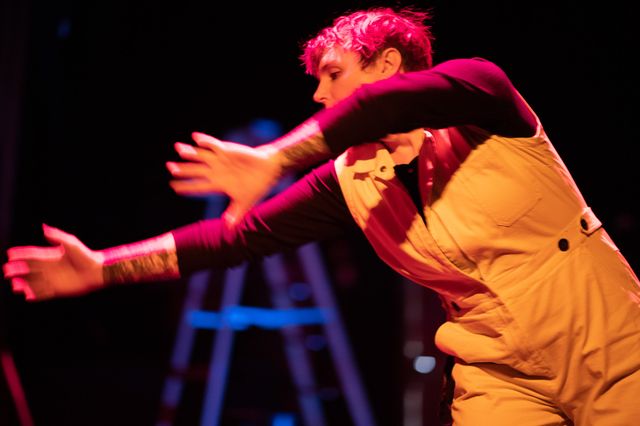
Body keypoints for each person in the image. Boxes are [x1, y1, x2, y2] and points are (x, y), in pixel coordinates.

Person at [3, 6, 640, 425]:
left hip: (611, 349)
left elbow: (373, 111)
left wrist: (275, 158)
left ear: (387, 66)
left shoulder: (480, 94)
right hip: (499, 375)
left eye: (333, 74)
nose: (318, 94)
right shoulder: (352, 179)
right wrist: (102, 270)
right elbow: (238, 239)